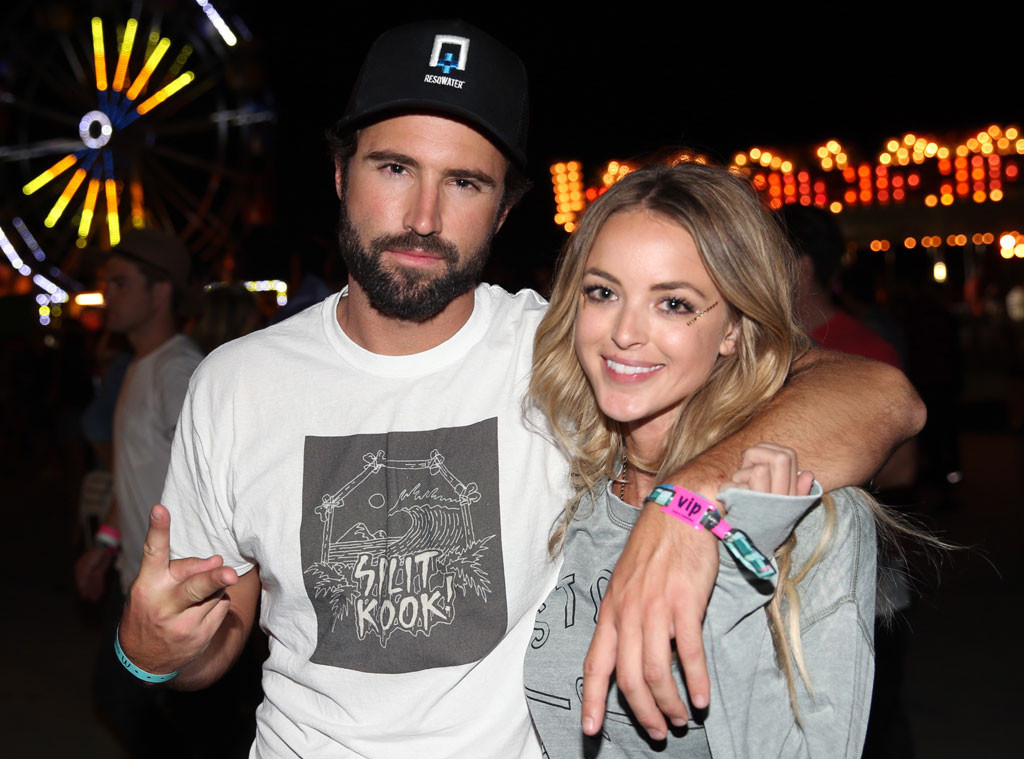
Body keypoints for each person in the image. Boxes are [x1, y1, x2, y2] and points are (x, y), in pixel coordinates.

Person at [115, 20, 923, 758]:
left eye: (465, 183)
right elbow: (214, 644)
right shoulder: (235, 383)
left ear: (504, 210)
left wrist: (690, 502)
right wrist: (149, 653)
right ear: (338, 171)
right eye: (395, 167)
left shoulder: (569, 351)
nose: (424, 215)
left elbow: (883, 396)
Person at [526, 162, 881, 757]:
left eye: (673, 303)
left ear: (734, 331)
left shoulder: (808, 519)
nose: (625, 332)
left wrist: (741, 562)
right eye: (604, 292)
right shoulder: (569, 483)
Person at [73, 229, 204, 755]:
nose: (109, 296)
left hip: (164, 588)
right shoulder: (136, 366)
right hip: (132, 575)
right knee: (127, 704)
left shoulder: (178, 369)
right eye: (107, 283)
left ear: (161, 292)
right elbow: (134, 475)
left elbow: (207, 476)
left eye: (122, 284)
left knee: (137, 708)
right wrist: (104, 545)